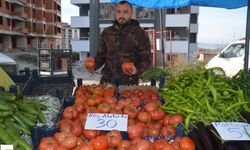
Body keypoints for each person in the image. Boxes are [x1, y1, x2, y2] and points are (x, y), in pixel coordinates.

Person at [85, 1, 151, 85]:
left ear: (131, 13)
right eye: (118, 11)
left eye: (125, 12)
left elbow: (147, 60)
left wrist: (136, 69)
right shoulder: (107, 32)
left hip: (129, 83)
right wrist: (93, 66)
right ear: (115, 13)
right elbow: (100, 57)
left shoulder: (140, 34)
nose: (122, 15)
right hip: (107, 81)